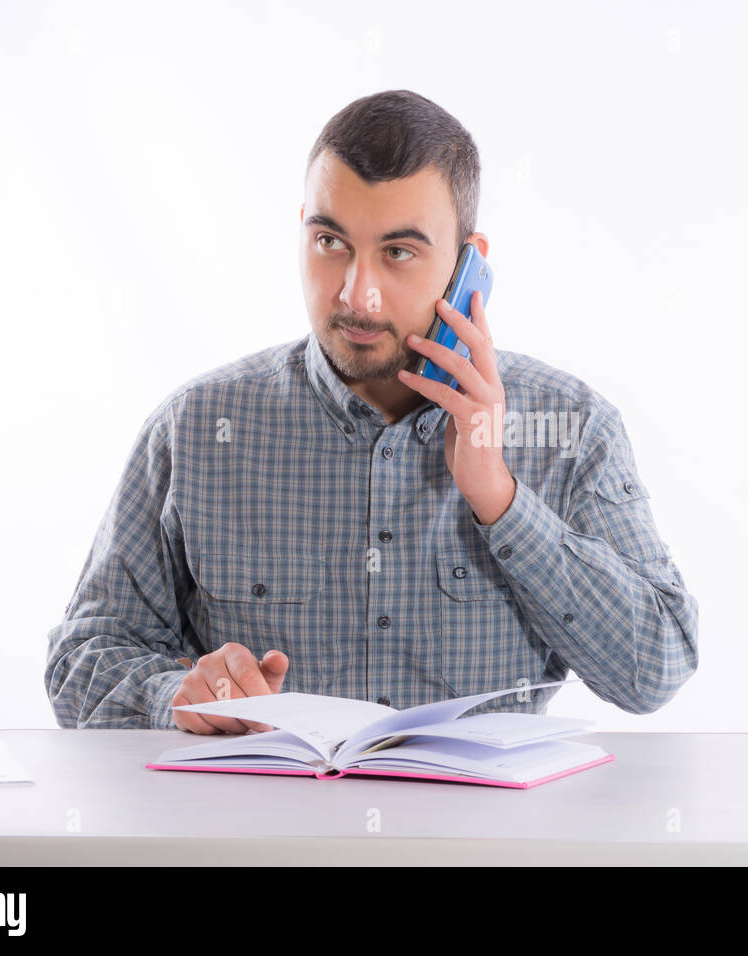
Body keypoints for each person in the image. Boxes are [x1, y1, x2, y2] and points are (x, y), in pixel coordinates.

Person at [45, 89, 699, 734]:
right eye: (330, 242)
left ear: (468, 264)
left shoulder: (573, 430)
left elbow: (656, 670)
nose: (357, 294)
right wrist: (175, 698)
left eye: (399, 252)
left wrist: (499, 498)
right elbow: (82, 660)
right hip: (264, 840)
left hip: (484, 841)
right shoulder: (194, 430)